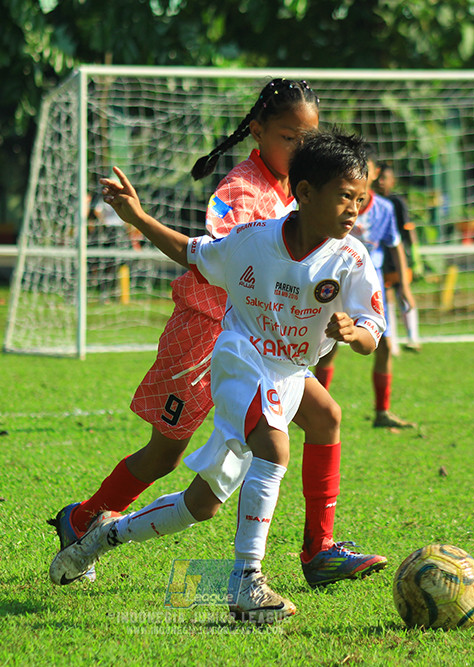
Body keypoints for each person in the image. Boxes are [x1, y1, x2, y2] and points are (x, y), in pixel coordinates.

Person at [48, 79, 387, 587]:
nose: (301, 149)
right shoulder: (242, 192)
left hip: (269, 344)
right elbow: (213, 254)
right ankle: (86, 519)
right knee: (166, 454)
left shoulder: (307, 193)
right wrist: (139, 218)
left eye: (308, 138)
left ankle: (317, 551)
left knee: (325, 417)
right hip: (210, 333)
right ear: (259, 132)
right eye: (290, 138)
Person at [314, 152, 416, 429]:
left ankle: (382, 411)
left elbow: (394, 245)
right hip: (338, 283)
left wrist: (404, 286)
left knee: (383, 346)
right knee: (328, 345)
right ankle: (312, 406)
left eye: (367, 169)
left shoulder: (384, 208)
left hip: (374, 286)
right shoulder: (337, 202)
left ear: (373, 172)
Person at [377, 163, 423, 353]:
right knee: (386, 298)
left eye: (384, 178)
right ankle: (392, 342)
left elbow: (408, 229)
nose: (381, 182)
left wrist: (416, 254)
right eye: (379, 177)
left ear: (392, 180)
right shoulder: (373, 202)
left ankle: (413, 337)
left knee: (404, 293)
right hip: (383, 258)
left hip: (400, 255)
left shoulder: (396, 203)